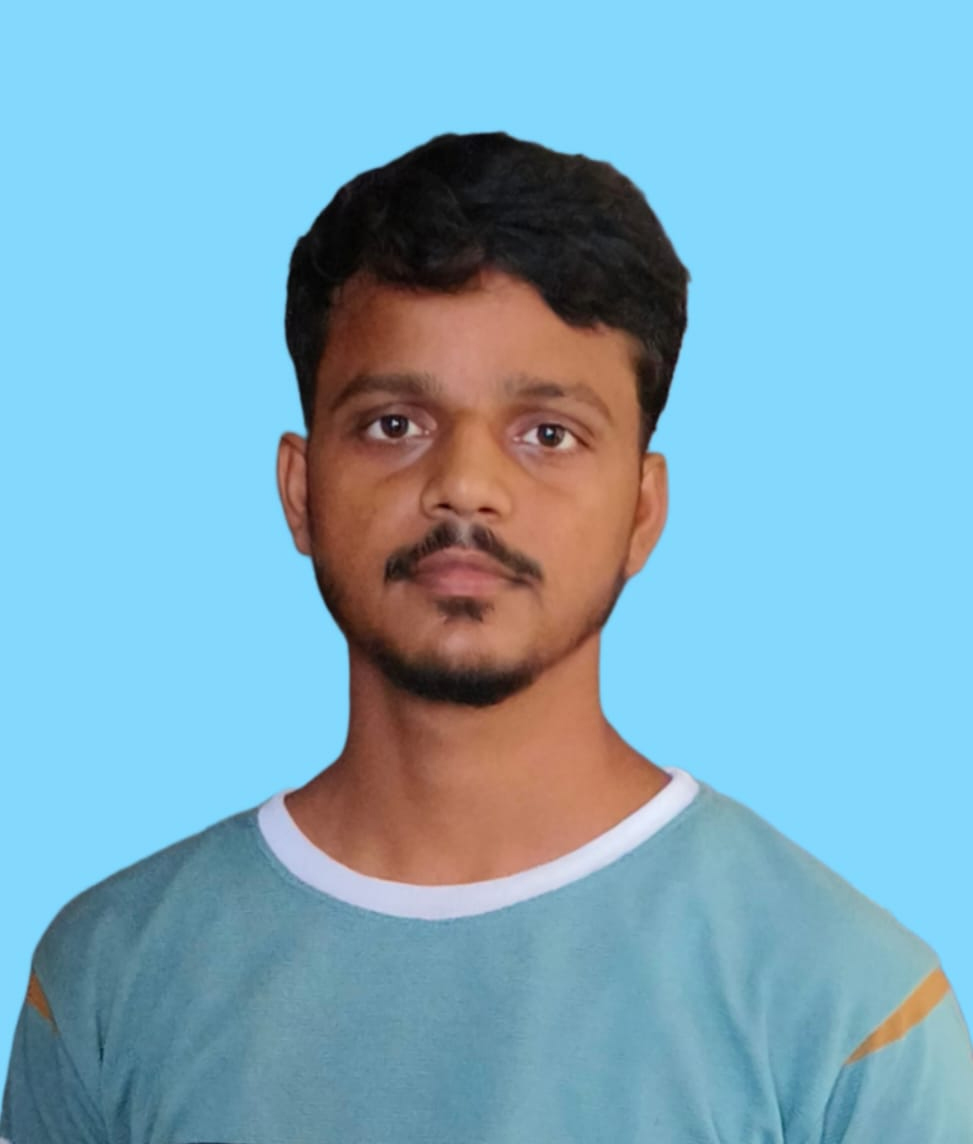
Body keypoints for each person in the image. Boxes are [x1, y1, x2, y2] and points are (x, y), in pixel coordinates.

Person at [2, 131, 971, 1144]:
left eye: (548, 434)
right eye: (394, 424)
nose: (465, 485)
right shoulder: (107, 979)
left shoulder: (850, 1011)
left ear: (642, 512)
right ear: (300, 490)